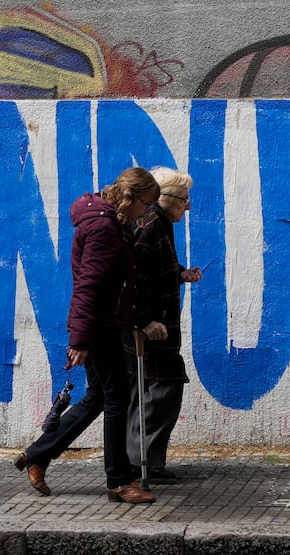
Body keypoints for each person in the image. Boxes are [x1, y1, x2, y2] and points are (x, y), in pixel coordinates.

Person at [13, 167, 160, 504]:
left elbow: (116, 285)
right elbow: (88, 285)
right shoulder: (105, 228)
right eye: (146, 204)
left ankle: (38, 454)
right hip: (100, 328)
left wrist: (135, 320)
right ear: (130, 199)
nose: (147, 212)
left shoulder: (113, 225)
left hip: (104, 324)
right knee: (117, 399)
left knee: (98, 397)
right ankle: (119, 482)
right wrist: (79, 340)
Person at [125, 167, 203, 480]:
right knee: (161, 390)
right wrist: (145, 321)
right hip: (153, 330)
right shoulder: (150, 225)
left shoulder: (159, 224)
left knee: (150, 391)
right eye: (184, 199)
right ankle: (140, 462)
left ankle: (144, 460)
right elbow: (135, 279)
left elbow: (154, 270)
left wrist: (180, 273)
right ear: (166, 198)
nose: (188, 206)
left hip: (159, 328)